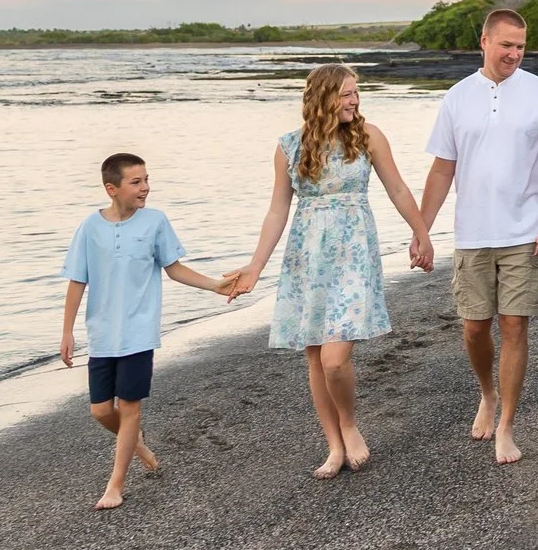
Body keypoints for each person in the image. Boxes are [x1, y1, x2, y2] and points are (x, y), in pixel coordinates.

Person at [222, 64, 435, 478]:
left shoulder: (369, 136)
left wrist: (421, 232)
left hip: (354, 252)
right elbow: (277, 210)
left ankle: (350, 426)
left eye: (356, 93)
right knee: (316, 358)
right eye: (345, 94)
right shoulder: (290, 146)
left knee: (336, 358)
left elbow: (397, 188)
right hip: (308, 257)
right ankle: (333, 445)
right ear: (322, 98)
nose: (354, 100)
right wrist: (255, 266)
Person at [416, 6, 538, 465]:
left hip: (526, 231)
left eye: (521, 46)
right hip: (473, 232)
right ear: (483, 41)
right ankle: (487, 392)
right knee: (473, 328)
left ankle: (507, 425)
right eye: (506, 45)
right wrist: (421, 230)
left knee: (514, 325)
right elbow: (443, 169)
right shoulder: (457, 97)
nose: (515, 54)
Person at [58, 152, 228, 509]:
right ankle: (136, 443)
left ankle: (115, 486)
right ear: (112, 188)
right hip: (102, 334)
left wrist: (215, 285)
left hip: (138, 331)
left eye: (147, 180)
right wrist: (67, 331)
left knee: (130, 407)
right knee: (101, 411)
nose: (145, 188)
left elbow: (175, 269)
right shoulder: (91, 227)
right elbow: (77, 280)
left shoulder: (155, 222)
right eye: (136, 182)